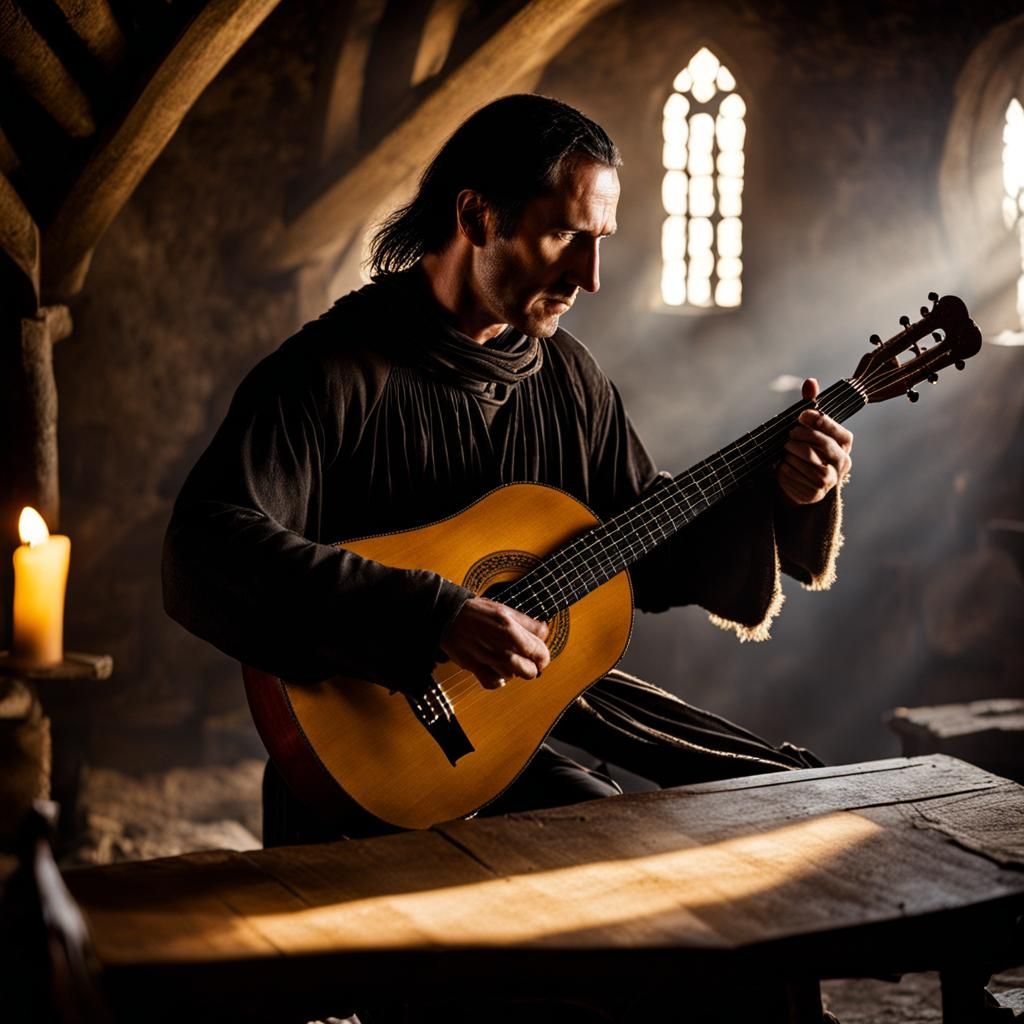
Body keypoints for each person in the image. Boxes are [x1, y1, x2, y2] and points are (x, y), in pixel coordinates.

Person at [162, 94, 853, 849]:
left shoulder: (568, 378)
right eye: (562, 233)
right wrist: (435, 617)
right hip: (361, 773)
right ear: (475, 216)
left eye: (600, 241)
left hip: (497, 754)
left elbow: (636, 543)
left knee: (637, 840)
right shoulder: (330, 372)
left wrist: (786, 494)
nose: (589, 276)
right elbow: (205, 543)